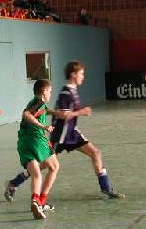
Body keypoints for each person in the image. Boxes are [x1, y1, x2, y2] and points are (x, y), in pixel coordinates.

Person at [7, 61, 124, 200]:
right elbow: (63, 115)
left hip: (72, 133)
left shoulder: (72, 91)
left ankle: (106, 188)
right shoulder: (65, 93)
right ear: (73, 74)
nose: (83, 77)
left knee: (95, 153)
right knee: (42, 166)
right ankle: (16, 184)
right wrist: (81, 112)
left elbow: (55, 112)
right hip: (60, 135)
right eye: (81, 74)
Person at [7, 79, 60, 220]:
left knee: (36, 173)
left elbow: (41, 110)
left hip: (23, 142)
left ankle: (34, 201)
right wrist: (43, 126)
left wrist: (56, 112)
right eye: (50, 91)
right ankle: (41, 201)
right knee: (54, 166)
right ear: (44, 92)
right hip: (36, 140)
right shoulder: (39, 103)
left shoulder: (35, 102)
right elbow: (27, 114)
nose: (50, 94)